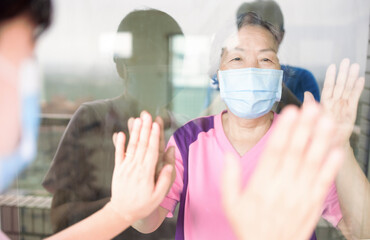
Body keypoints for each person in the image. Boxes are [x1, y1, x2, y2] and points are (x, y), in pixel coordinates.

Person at [130, 12, 370, 240]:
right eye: (237, 58)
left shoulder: (303, 144)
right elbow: (148, 222)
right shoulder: (189, 140)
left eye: (265, 58)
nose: (251, 69)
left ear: (279, 75)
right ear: (219, 75)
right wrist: (139, 199)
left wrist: (341, 146)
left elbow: (362, 231)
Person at [41, 9, 182, 239]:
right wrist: (124, 205)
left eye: (168, 60)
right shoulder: (91, 120)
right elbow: (60, 218)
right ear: (121, 66)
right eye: (147, 58)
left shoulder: (185, 134)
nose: (160, 69)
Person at [236, 0, 321, 102]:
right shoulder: (229, 76)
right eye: (250, 34)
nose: (258, 41)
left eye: (269, 34)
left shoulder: (302, 79)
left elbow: (312, 116)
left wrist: (279, 89)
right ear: (239, 35)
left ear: (280, 36)